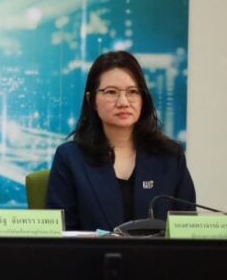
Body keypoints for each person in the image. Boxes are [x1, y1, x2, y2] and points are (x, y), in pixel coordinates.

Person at [46, 51, 195, 231]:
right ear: (91, 100)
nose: (123, 102)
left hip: (156, 251)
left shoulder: (170, 157)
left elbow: (188, 230)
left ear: (143, 98)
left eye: (132, 92)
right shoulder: (70, 158)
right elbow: (61, 235)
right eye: (111, 92)